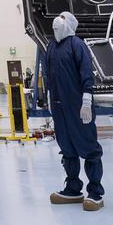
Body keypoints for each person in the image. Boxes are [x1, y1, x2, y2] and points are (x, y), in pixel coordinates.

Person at [44, 11, 104, 210]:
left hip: (78, 105)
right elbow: (48, 75)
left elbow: (86, 72)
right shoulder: (51, 47)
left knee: (88, 146)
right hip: (59, 106)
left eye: (62, 18)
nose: (57, 21)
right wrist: (48, 97)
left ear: (69, 24)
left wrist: (86, 100)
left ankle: (95, 192)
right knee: (67, 147)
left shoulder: (77, 45)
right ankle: (72, 188)